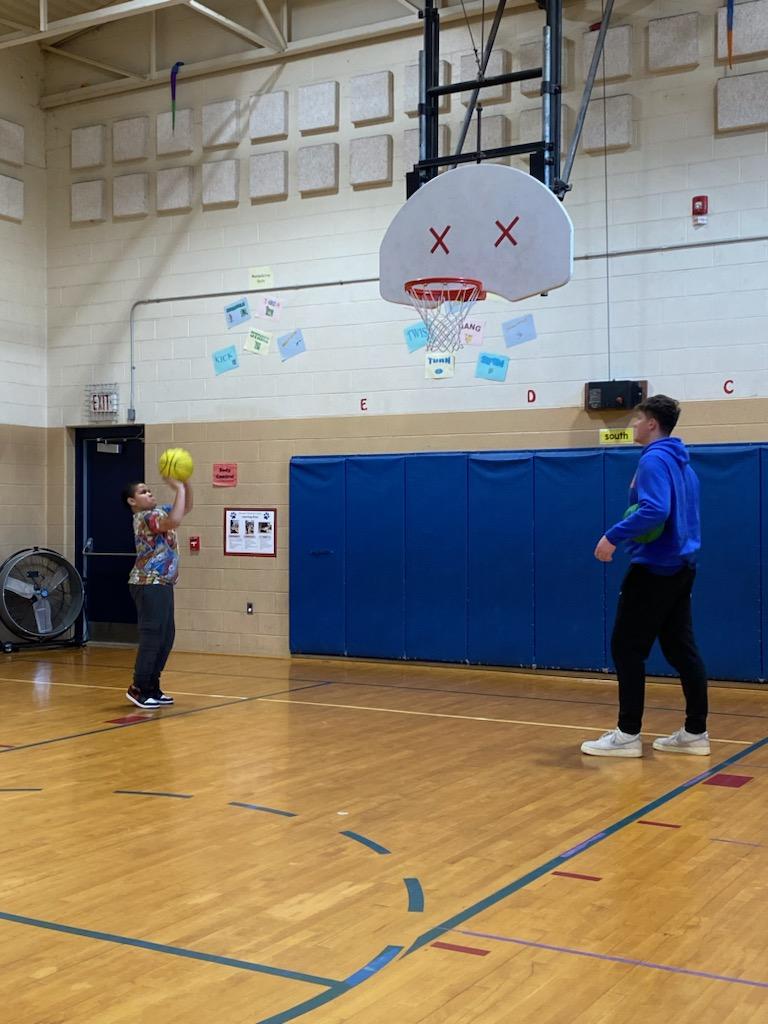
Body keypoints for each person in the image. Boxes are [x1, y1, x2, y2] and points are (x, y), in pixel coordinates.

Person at [581, 395, 710, 758]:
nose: (633, 425)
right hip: (681, 568)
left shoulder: (653, 460)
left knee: (626, 648)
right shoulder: (684, 465)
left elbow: (655, 510)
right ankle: (695, 732)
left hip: (654, 570)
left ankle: (627, 735)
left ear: (652, 423)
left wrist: (612, 537)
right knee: (681, 649)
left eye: (638, 419)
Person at [121, 476, 193, 709]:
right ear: (132, 501)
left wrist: (185, 484)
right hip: (148, 582)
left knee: (166, 636)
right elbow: (174, 521)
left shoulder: (159, 511)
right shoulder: (144, 517)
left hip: (163, 582)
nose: (149, 493)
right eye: (143, 492)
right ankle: (139, 687)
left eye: (149, 490)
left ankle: (152, 686)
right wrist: (178, 488)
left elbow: (185, 507)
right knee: (153, 636)